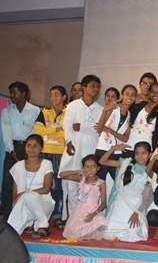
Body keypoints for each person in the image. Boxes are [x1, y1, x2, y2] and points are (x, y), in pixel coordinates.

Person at [59, 75, 103, 221]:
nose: (95, 89)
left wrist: (81, 127)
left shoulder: (100, 109)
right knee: (71, 187)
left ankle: (84, 219)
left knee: (87, 186)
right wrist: (69, 141)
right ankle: (71, 220)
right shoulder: (73, 106)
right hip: (74, 148)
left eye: (97, 86)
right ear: (84, 87)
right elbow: (67, 125)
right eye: (92, 86)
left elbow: (98, 130)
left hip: (90, 149)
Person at [100, 142, 153, 242]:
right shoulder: (126, 163)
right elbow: (102, 161)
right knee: (111, 233)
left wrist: (137, 213)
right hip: (119, 205)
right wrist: (113, 148)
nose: (140, 156)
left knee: (131, 234)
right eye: (137, 153)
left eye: (144, 153)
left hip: (135, 207)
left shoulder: (150, 171)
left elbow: (147, 197)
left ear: (149, 154)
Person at [1, 81, 40, 218]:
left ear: (24, 94)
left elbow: (37, 131)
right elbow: (6, 133)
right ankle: (6, 214)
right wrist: (12, 152)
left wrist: (31, 150)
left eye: (15, 92)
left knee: (27, 182)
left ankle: (25, 214)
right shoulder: (7, 111)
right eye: (11, 93)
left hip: (30, 149)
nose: (12, 96)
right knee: (8, 182)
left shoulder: (35, 111)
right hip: (12, 149)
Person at [34, 85, 67, 228]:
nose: (53, 97)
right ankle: (40, 217)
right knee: (42, 184)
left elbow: (66, 132)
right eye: (52, 94)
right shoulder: (44, 111)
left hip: (60, 153)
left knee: (57, 185)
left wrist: (49, 131)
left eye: (57, 94)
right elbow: (38, 129)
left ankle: (58, 215)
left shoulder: (68, 112)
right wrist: (56, 129)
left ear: (64, 97)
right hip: (44, 152)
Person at [7, 134, 54, 237]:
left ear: (41, 148)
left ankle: (43, 225)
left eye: (35, 146)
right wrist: (15, 205)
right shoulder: (18, 166)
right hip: (24, 204)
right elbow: (15, 193)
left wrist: (23, 194)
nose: (31, 149)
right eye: (29, 145)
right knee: (11, 231)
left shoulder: (47, 164)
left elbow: (46, 189)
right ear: (25, 147)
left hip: (43, 203)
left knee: (29, 196)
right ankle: (28, 226)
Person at [60, 154, 107, 240]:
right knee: (73, 232)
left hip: (93, 212)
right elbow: (61, 175)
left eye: (93, 166)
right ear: (83, 168)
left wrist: (93, 215)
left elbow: (103, 204)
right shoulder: (81, 178)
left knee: (101, 224)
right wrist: (77, 171)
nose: (90, 169)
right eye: (87, 166)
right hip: (79, 212)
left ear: (98, 168)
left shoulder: (101, 183)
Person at [95, 85, 136, 181]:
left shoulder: (130, 114)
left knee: (114, 182)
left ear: (135, 98)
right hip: (103, 148)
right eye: (127, 94)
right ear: (122, 95)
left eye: (132, 95)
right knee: (99, 181)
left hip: (117, 152)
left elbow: (125, 138)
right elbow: (99, 129)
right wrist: (105, 111)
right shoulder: (113, 108)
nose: (129, 97)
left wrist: (110, 131)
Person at [126, 82, 158, 157]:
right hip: (129, 145)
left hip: (145, 150)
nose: (155, 94)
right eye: (152, 92)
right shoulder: (138, 106)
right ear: (149, 92)